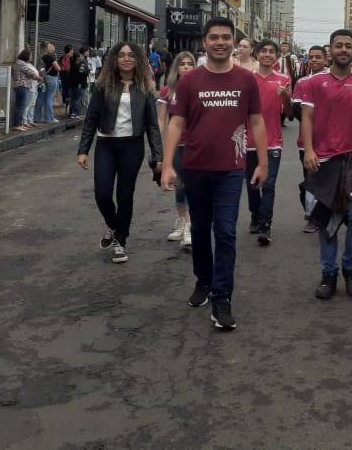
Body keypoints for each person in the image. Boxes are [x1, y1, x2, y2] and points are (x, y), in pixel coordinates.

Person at [161, 17, 268, 331]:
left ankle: (223, 297)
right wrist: (168, 164)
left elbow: (257, 122)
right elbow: (176, 124)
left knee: (225, 231)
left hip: (231, 170)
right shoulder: (191, 80)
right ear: (204, 42)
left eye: (226, 37)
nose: (220, 42)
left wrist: (262, 163)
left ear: (233, 41)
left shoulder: (246, 80)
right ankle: (203, 282)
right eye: (214, 38)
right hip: (195, 168)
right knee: (201, 231)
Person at [301, 29, 352, 300]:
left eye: (348, 45)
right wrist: (309, 151)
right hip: (323, 160)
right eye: (338, 45)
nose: (343, 50)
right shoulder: (314, 82)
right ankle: (328, 273)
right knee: (326, 220)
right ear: (330, 49)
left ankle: (350, 268)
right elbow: (306, 118)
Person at [78, 41, 163, 266]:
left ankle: (120, 241)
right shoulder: (103, 85)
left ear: (138, 60)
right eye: (122, 55)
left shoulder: (145, 88)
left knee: (125, 196)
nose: (126, 59)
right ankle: (114, 225)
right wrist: (83, 150)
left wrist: (159, 156)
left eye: (131, 55)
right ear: (114, 59)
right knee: (103, 194)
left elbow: (153, 125)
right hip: (106, 145)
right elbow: (91, 119)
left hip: (131, 147)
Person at [246, 40, 292, 245]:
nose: (267, 54)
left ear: (277, 56)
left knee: (270, 184)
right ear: (256, 55)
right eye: (263, 51)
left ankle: (265, 225)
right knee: (253, 184)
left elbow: (289, 115)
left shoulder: (284, 80)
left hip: (273, 141)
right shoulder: (247, 79)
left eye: (271, 52)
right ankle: (255, 215)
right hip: (248, 141)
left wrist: (287, 98)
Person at [157, 51, 197, 249]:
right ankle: (182, 221)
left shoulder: (200, 88)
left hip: (195, 145)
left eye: (190, 63)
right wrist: (159, 146)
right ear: (177, 67)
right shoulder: (167, 91)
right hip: (176, 146)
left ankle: (191, 225)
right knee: (178, 185)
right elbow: (161, 119)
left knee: (191, 185)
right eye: (183, 63)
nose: (187, 66)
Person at [292, 45, 328, 234]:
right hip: (305, 141)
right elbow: (298, 112)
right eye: (311, 57)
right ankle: (312, 217)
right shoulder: (301, 82)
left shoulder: (333, 80)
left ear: (325, 60)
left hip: (330, 142)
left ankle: (324, 215)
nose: (314, 60)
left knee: (328, 180)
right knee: (310, 180)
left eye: (318, 57)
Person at [36, 42, 61, 124]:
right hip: (52, 78)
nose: (53, 46)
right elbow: (58, 68)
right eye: (50, 45)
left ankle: (37, 117)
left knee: (40, 98)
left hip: (42, 78)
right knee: (49, 98)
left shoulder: (39, 57)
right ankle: (49, 118)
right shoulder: (51, 57)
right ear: (46, 48)